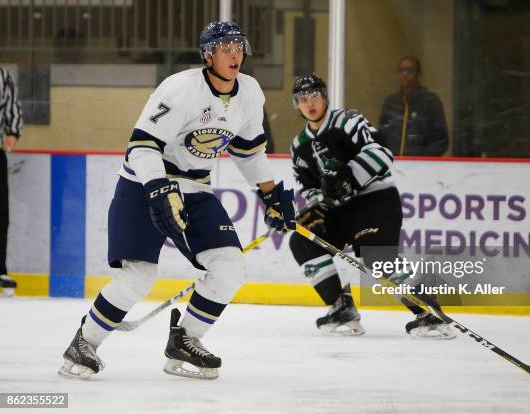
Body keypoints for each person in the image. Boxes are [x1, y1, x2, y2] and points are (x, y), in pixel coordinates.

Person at [58, 21, 295, 380]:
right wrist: (157, 189)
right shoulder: (181, 88)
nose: (234, 54)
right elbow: (142, 146)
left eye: (239, 47)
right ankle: (85, 342)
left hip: (196, 188)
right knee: (138, 276)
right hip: (142, 184)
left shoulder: (250, 92)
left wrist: (270, 194)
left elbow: (248, 152)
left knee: (230, 266)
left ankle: (185, 339)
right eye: (225, 47)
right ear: (207, 55)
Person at [288, 73, 454, 339]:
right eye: (303, 99)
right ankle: (341, 308)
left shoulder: (348, 120)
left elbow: (381, 152)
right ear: (296, 104)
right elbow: (309, 187)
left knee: (376, 256)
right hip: (341, 212)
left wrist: (348, 177)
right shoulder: (299, 146)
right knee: (302, 240)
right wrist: (315, 207)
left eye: (315, 96)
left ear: (325, 96)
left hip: (375, 202)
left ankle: (426, 310)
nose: (310, 103)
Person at [378, 56, 449, 156]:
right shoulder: (391, 102)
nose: (405, 74)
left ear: (418, 73)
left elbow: (441, 140)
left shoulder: (430, 101)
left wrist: (423, 160)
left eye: (410, 70)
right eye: (402, 70)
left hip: (421, 167)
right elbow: (381, 136)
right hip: (394, 164)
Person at [0, 66, 23, 297]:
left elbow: (11, 105)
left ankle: (0, 268)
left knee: (1, 214)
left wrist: (12, 132)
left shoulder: (2, 75)